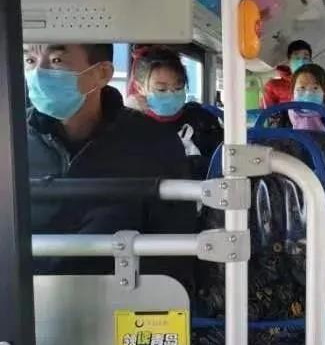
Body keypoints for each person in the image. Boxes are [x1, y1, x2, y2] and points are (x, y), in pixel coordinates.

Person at [24, 43, 195, 280]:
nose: (38, 73)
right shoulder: (9, 142)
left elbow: (174, 252)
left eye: (56, 61)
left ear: (102, 73)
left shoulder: (155, 144)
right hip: (24, 295)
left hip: (124, 293)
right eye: (30, 61)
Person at [131, 46, 223, 177]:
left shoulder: (203, 120)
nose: (171, 95)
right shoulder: (132, 127)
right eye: (161, 89)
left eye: (178, 87)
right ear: (140, 88)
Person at [262, 40, 313, 108]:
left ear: (311, 62)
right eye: (297, 58)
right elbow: (266, 112)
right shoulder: (273, 86)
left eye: (305, 58)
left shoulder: (319, 84)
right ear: (289, 61)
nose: (301, 61)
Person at [288, 63, 325, 132]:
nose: (308, 93)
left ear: (324, 91)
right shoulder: (287, 113)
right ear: (293, 91)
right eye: (302, 87)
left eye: (315, 88)